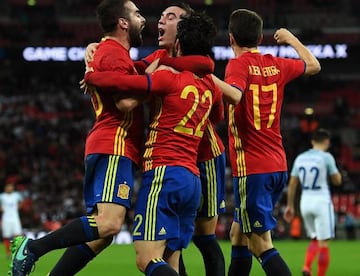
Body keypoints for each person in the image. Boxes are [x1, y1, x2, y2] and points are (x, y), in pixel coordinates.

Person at [84, 11, 242, 275]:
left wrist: (93, 74)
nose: (160, 21)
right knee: (171, 251)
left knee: (191, 242)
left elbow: (127, 91)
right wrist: (96, 48)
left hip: (197, 158)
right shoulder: (165, 62)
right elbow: (127, 69)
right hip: (187, 167)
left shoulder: (173, 73)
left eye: (171, 17)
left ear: (181, 34)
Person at [8, 1, 146, 276]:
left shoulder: (111, 53)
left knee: (102, 233)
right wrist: (155, 82)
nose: (142, 19)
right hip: (114, 144)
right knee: (108, 225)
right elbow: (124, 103)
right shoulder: (112, 54)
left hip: (113, 145)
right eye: (137, 14)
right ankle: (33, 248)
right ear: (122, 22)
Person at [224, 9, 321, 276]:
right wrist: (291, 40)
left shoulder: (237, 65)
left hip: (253, 169)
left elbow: (234, 95)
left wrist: (206, 77)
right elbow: (314, 65)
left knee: (260, 244)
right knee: (238, 234)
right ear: (260, 38)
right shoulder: (276, 64)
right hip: (277, 165)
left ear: (231, 38)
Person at [284, 128, 342, 276]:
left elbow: (292, 184)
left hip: (305, 202)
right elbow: (337, 181)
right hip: (321, 201)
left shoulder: (300, 158)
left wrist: (290, 206)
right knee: (324, 243)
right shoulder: (326, 157)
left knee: (314, 238)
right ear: (327, 142)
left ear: (312, 142)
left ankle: (306, 267)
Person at [0, 181, 23, 259]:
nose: (10, 188)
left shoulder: (16, 195)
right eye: (8, 187)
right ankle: (8, 252)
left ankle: (16, 251)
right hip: (6, 218)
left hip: (15, 218)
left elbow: (22, 201)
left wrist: (19, 207)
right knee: (6, 236)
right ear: (5, 188)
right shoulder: (2, 196)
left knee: (17, 235)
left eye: (11, 187)